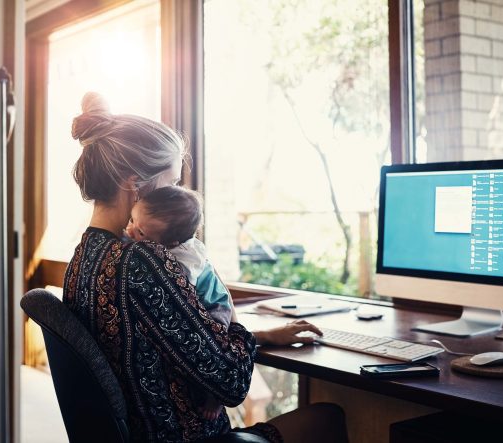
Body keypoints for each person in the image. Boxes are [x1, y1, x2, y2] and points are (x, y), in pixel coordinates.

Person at [63, 92, 348, 443]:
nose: (175, 196)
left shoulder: (83, 257)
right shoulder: (142, 261)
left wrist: (262, 336)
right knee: (327, 418)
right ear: (133, 184)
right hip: (187, 438)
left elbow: (159, 342)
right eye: (170, 184)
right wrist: (239, 330)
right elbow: (231, 382)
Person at [124, 185, 231, 420]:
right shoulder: (159, 241)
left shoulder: (184, 260)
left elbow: (181, 289)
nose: (130, 231)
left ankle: (216, 397)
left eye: (140, 233)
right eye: (132, 220)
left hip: (216, 305)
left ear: (170, 242)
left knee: (216, 346)